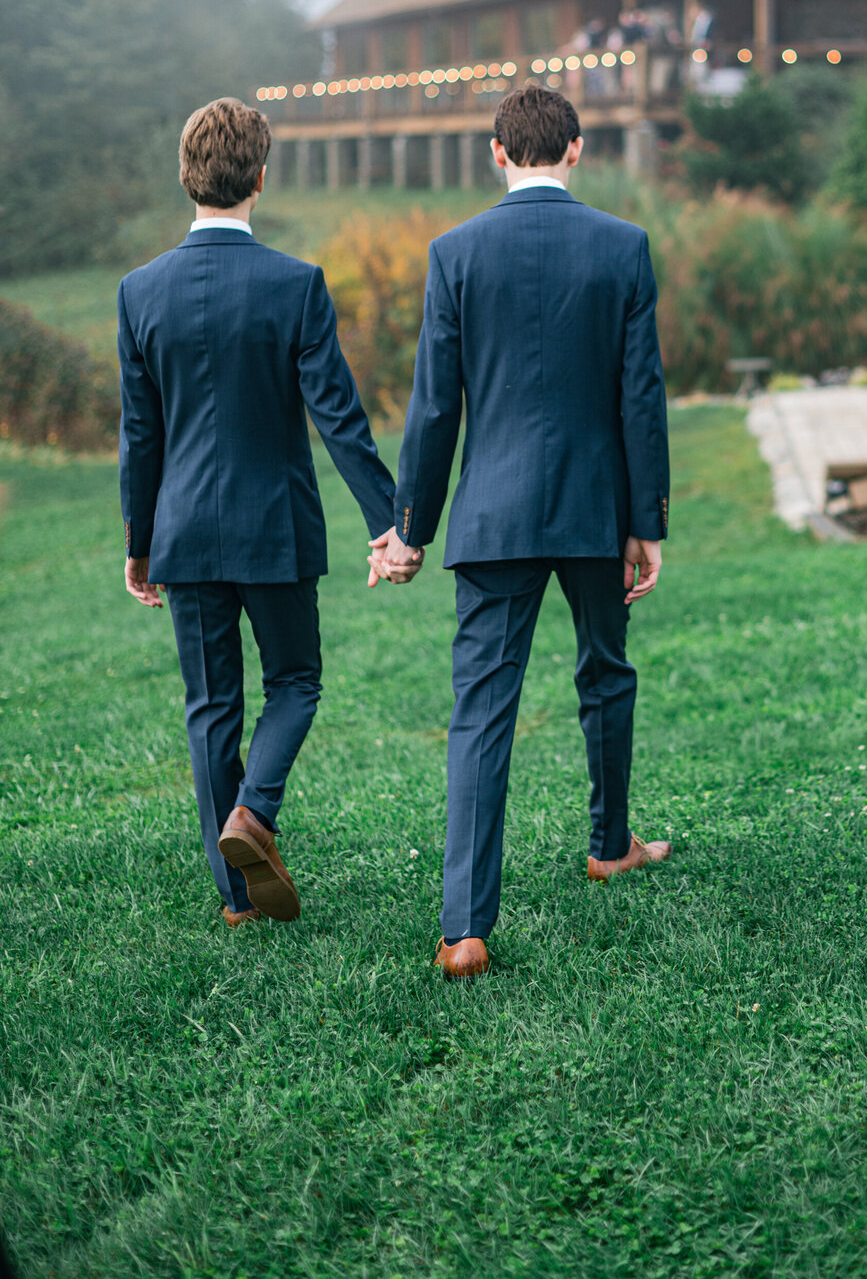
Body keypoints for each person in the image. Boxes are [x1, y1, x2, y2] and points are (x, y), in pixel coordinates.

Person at [371, 84, 671, 978]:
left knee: (481, 712)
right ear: (577, 149)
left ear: (497, 153)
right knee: (605, 671)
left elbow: (433, 409)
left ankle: (464, 928)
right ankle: (610, 841)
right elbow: (640, 397)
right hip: (592, 508)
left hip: (493, 515)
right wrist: (645, 520)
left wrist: (409, 528)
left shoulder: (454, 252)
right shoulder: (624, 246)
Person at [118, 98, 401, 927]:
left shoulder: (141, 292)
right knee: (297, 682)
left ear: (185, 177)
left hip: (183, 534)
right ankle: (256, 812)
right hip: (274, 527)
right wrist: (387, 520)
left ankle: (237, 897)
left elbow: (143, 436)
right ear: (262, 178)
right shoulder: (295, 284)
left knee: (212, 707)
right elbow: (339, 417)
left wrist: (140, 541)